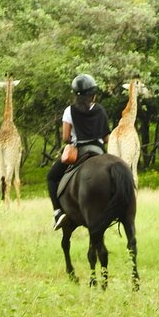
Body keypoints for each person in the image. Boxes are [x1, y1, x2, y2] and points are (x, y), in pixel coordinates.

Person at [47, 74, 110, 230]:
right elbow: (106, 138)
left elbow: (65, 137)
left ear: (76, 94)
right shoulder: (100, 110)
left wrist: (73, 141)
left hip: (79, 152)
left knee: (52, 177)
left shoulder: (70, 111)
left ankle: (58, 212)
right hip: (99, 151)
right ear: (93, 94)